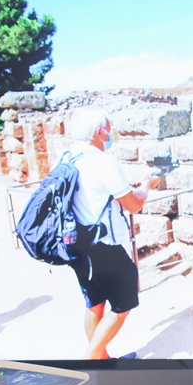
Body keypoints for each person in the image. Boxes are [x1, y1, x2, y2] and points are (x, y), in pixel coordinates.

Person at [65, 108, 148, 360]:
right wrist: (147, 185)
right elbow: (133, 204)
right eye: (108, 129)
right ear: (99, 132)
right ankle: (90, 363)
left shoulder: (66, 158)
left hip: (76, 243)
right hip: (104, 246)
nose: (110, 134)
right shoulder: (103, 162)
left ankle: (102, 361)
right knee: (124, 305)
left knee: (94, 302)